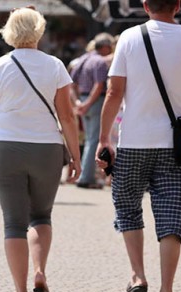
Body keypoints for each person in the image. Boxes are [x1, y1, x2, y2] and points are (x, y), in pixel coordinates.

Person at [0, 7, 81, 292]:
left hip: (5, 147)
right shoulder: (55, 66)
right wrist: (74, 156)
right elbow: (68, 118)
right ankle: (39, 272)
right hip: (46, 147)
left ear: (9, 30)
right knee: (41, 216)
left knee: (13, 223)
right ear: (39, 30)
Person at [97, 0, 181, 292]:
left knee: (127, 204)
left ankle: (137, 275)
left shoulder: (130, 38)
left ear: (145, 5)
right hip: (177, 145)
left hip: (134, 141)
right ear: (177, 6)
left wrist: (104, 138)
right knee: (173, 216)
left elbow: (114, 93)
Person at [70, 33, 113, 189]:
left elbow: (72, 84)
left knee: (89, 139)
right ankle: (86, 177)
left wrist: (78, 102)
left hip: (83, 100)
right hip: (94, 102)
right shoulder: (99, 61)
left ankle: (85, 175)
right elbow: (99, 85)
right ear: (105, 47)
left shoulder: (82, 59)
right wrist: (87, 104)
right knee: (93, 140)